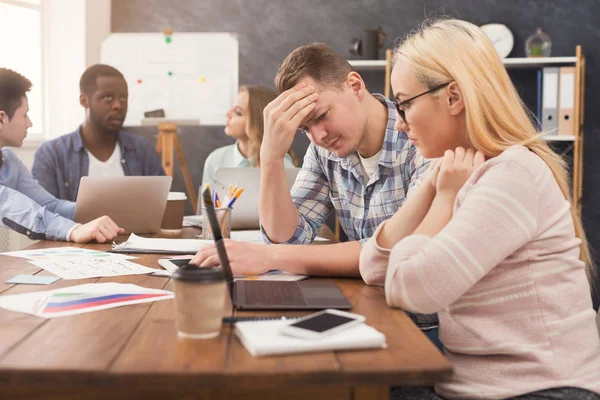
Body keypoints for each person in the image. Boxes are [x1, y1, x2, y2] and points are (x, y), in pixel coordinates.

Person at [359, 19, 600, 399]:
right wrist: (433, 185)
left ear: (453, 97)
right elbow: (374, 268)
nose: (400, 124)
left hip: (542, 390)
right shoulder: (458, 167)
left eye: (404, 103)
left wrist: (443, 198)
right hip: (474, 386)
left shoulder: (513, 173)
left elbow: (412, 289)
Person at [191, 43, 428, 277]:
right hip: (370, 301)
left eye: (322, 115)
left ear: (354, 86)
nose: (317, 137)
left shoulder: (422, 140)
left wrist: (269, 257)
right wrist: (271, 156)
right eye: (304, 128)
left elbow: (397, 252)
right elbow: (289, 239)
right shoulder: (323, 151)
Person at [0, 68, 123, 243]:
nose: (29, 123)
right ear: (1, 119)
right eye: (25, 114)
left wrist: (105, 210)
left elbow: (49, 205)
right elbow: (9, 204)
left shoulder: (9, 161)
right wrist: (73, 230)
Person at [31, 64, 164, 201]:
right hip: (75, 224)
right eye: (108, 97)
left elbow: (163, 205)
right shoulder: (52, 155)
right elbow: (43, 213)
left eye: (123, 98)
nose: (118, 105)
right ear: (84, 101)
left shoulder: (143, 151)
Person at [201, 85, 296, 190]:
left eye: (238, 112)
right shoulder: (215, 160)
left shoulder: (281, 162)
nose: (227, 114)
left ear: (258, 120)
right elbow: (207, 205)